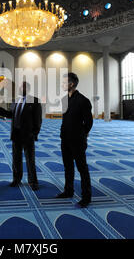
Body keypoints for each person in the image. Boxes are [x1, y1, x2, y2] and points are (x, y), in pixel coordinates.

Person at [0, 81, 42, 191]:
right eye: (20, 87)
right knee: (16, 159)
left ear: (27, 89)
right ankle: (16, 179)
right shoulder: (16, 101)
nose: (20, 89)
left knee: (30, 159)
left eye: (22, 87)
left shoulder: (34, 101)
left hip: (28, 135)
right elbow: (11, 114)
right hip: (16, 135)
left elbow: (38, 119)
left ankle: (33, 181)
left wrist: (34, 134)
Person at [56, 73, 93, 207]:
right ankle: (68, 190)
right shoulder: (65, 99)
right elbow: (65, 120)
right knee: (68, 166)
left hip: (77, 140)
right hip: (65, 139)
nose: (62, 84)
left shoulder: (83, 100)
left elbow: (89, 122)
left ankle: (86, 197)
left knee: (82, 168)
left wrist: (81, 135)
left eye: (64, 82)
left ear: (71, 84)